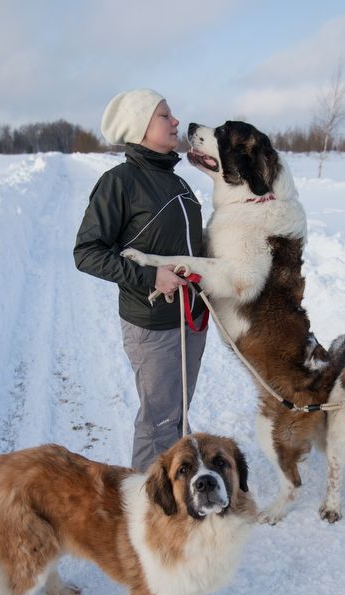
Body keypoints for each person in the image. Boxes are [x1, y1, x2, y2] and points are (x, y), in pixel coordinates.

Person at [73, 89, 207, 472]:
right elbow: (87, 252)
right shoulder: (120, 182)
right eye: (165, 115)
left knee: (176, 413)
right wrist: (151, 276)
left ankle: (172, 498)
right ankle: (144, 512)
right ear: (140, 127)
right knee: (158, 423)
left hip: (190, 320)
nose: (176, 121)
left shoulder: (179, 184)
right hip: (153, 324)